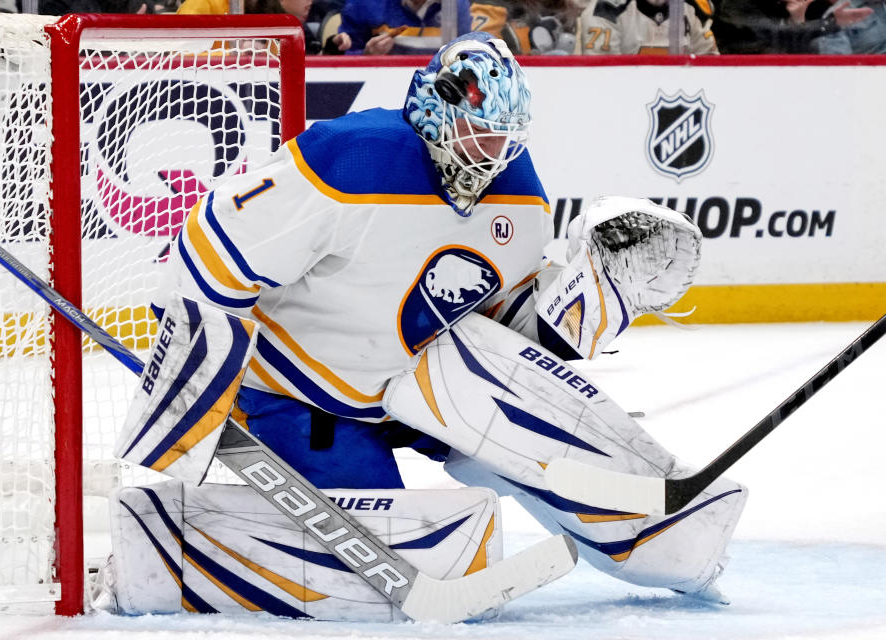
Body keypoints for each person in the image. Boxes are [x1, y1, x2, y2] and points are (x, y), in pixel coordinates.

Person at [138, 30, 747, 605]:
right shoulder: (350, 159)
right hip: (301, 391)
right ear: (435, 107)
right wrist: (192, 390)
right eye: (479, 133)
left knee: (545, 436)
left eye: (504, 137)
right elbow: (213, 252)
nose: (491, 153)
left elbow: (506, 325)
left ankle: (663, 548)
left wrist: (593, 300)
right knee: (395, 559)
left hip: (420, 383)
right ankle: (174, 554)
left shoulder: (519, 190)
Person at [712, 0, 872, 52]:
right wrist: (829, 23)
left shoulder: (810, 7)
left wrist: (798, 19)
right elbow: (771, 34)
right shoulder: (734, 5)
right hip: (737, 84)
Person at [579, 0, 719, 54]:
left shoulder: (692, 9)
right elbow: (602, 77)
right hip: (623, 105)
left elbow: (712, 66)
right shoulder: (606, 10)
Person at [338, 0, 474, 55]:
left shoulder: (457, 4)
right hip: (381, 85)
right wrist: (366, 56)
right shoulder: (365, 4)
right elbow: (340, 60)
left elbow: (465, 54)